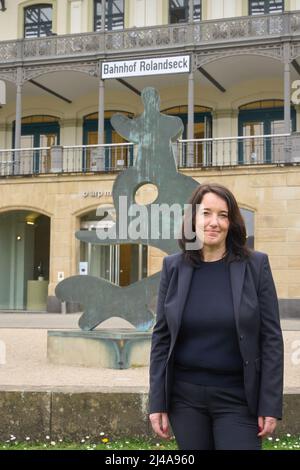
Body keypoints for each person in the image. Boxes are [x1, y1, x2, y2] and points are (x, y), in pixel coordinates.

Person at [148, 183, 284, 450]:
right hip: (184, 400)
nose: (214, 222)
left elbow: (271, 339)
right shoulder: (173, 266)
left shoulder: (256, 265)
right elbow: (161, 339)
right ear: (193, 219)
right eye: (206, 213)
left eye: (223, 215)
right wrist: (157, 402)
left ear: (232, 222)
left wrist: (270, 403)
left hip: (239, 398)